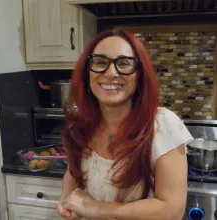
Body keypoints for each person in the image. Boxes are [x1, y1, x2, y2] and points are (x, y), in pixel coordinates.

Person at [57, 28, 193, 220]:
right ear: (87, 74)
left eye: (124, 63)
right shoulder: (81, 127)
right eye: (100, 62)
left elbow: (171, 211)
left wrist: (94, 208)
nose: (111, 73)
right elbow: (72, 174)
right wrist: (67, 202)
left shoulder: (163, 126)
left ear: (139, 76)